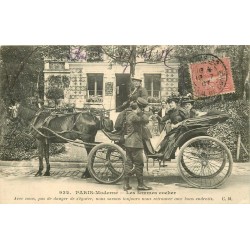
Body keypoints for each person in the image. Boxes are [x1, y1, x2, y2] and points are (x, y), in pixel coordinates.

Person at [123, 97, 152, 191]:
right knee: (139, 164)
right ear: (141, 107)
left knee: (128, 163)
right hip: (136, 143)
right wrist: (144, 112)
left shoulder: (129, 114)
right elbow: (146, 120)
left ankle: (126, 185)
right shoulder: (136, 117)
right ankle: (140, 185)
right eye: (143, 108)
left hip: (128, 143)